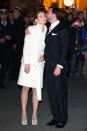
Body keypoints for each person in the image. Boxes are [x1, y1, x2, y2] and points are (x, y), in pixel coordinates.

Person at [17, 9, 47, 125]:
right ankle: (24, 112)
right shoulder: (30, 29)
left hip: (39, 64)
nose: (43, 18)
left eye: (44, 16)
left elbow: (46, 47)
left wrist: (44, 56)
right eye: (40, 16)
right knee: (25, 88)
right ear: (35, 20)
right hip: (28, 62)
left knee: (36, 88)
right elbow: (26, 47)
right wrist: (27, 63)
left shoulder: (46, 30)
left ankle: (34, 113)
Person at [44, 8, 68, 128]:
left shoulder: (62, 29)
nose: (46, 14)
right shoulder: (48, 28)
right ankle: (56, 117)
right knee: (51, 93)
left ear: (54, 15)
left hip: (58, 67)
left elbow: (64, 50)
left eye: (48, 12)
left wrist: (59, 66)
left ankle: (63, 118)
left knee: (60, 93)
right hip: (48, 66)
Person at [0, 9, 12, 88]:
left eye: (5, 14)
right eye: (2, 14)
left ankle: (1, 82)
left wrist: (10, 38)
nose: (3, 16)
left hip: (6, 49)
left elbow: (13, 35)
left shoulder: (10, 24)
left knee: (4, 66)